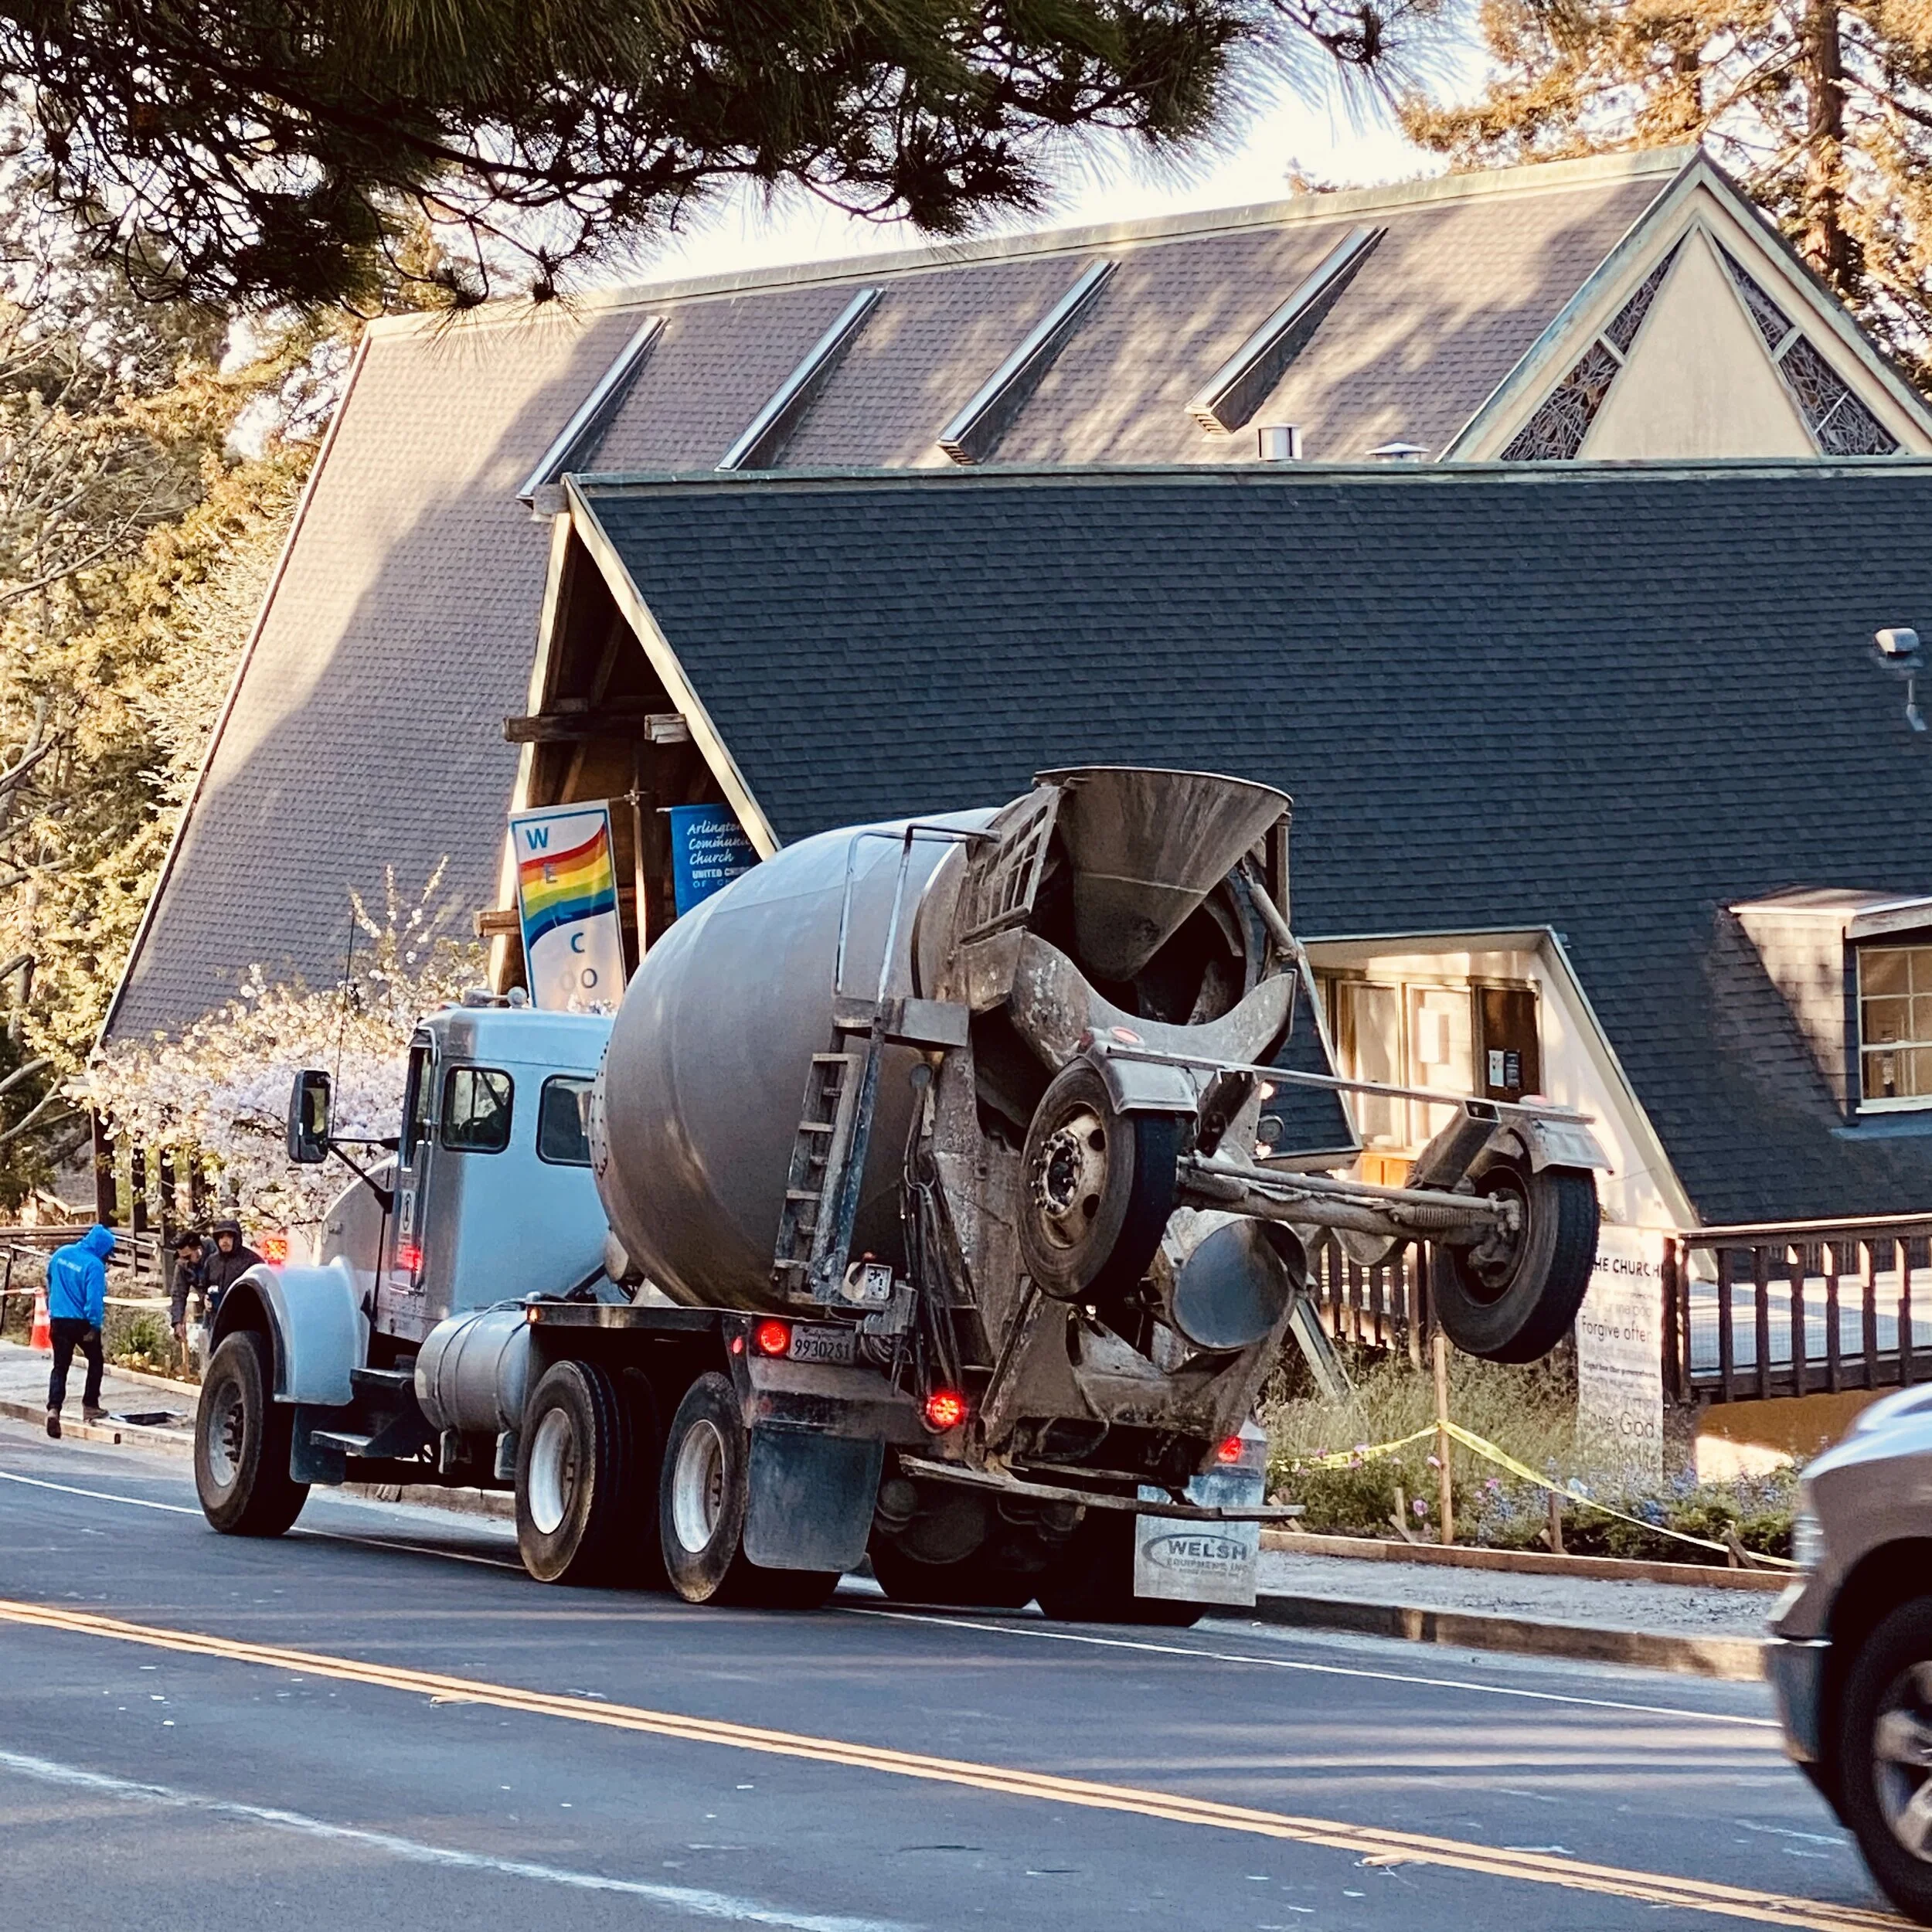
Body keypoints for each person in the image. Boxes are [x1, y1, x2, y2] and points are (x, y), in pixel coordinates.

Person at [45, 1223, 114, 1439]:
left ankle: (54, 1408)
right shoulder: (94, 1265)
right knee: (95, 1361)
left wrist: (54, 1305)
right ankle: (90, 1405)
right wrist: (94, 1325)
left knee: (60, 1366)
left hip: (58, 1319)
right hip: (81, 1322)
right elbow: (94, 1301)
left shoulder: (61, 1253)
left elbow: (49, 1279)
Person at [202, 1219, 262, 1319]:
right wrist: (205, 1298)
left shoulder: (251, 1260)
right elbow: (204, 1286)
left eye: (229, 1236)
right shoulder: (211, 1262)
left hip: (245, 1318)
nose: (225, 1241)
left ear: (236, 1238)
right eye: (221, 1237)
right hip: (216, 1318)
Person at [168, 1231, 207, 1372]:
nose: (185, 1261)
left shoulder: (215, 1255)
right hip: (206, 1307)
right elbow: (178, 1293)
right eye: (181, 1257)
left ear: (198, 1250)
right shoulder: (183, 1264)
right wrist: (177, 1322)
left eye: (187, 1256)